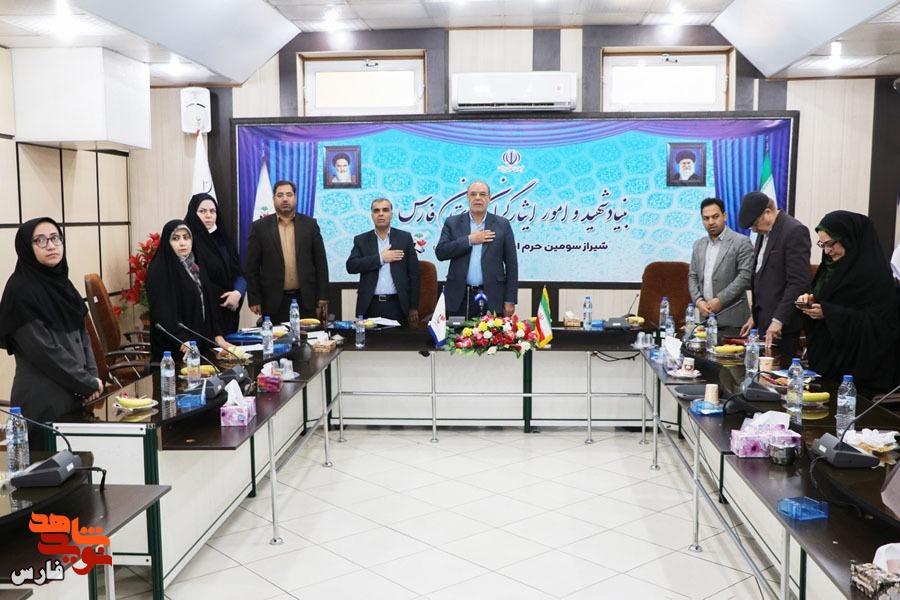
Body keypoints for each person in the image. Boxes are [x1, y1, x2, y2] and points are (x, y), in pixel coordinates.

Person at [0, 218, 104, 449]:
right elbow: (45, 352)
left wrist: (92, 380)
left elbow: (84, 337)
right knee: (47, 467)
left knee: (82, 465)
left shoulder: (63, 285)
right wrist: (87, 383)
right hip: (44, 402)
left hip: (77, 396)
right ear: (26, 247)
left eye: (56, 238)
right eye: (40, 240)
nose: (51, 245)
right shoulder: (19, 291)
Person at [797, 211, 898, 393]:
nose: (827, 251)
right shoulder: (830, 267)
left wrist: (829, 313)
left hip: (856, 370)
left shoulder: (873, 275)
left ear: (849, 238)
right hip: (825, 358)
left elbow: (879, 325)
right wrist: (811, 301)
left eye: (830, 244)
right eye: (822, 245)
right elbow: (829, 299)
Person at [244, 180, 329, 323]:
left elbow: (321, 263)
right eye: (280, 195)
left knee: (307, 337)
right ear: (273, 198)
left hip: (305, 299)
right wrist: (254, 298)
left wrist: (323, 294)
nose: (285, 199)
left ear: (295, 198)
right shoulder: (259, 227)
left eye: (289, 195)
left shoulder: (310, 225)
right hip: (273, 301)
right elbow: (251, 267)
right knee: (276, 337)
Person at [738, 191, 811, 356]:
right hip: (764, 321)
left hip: (783, 326)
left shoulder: (794, 231)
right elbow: (762, 276)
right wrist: (755, 316)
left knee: (779, 369)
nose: (754, 230)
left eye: (755, 224)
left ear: (768, 212)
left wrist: (778, 320)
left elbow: (799, 282)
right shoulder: (764, 232)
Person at [146, 220, 229, 361]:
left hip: (199, 347)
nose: (182, 243)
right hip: (175, 352)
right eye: (175, 238)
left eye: (186, 237)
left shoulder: (195, 267)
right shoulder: (159, 270)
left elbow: (208, 305)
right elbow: (163, 313)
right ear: (167, 242)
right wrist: (183, 340)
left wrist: (218, 336)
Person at [435, 180, 518, 318]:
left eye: (482, 194)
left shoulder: (502, 224)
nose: (478, 198)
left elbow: (512, 265)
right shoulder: (453, 223)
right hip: (460, 296)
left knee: (491, 332)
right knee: (458, 332)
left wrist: (510, 299)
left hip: (492, 296)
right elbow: (441, 252)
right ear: (467, 197)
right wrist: (469, 240)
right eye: (473, 194)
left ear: (489, 198)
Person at [346, 198, 421, 326]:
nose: (381, 214)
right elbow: (351, 266)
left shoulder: (404, 238)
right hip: (370, 305)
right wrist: (380, 258)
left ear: (391, 214)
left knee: (399, 339)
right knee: (370, 339)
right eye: (376, 211)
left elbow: (414, 274)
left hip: (398, 305)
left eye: (385, 210)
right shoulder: (361, 240)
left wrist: (413, 306)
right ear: (372, 215)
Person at [688, 198, 754, 329]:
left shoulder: (741, 242)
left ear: (724, 216)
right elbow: (692, 276)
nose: (711, 222)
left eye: (715, 216)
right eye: (706, 218)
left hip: (734, 319)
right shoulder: (698, 245)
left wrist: (720, 300)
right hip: (705, 318)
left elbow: (745, 277)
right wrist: (698, 301)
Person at [184, 193, 246, 334]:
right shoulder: (187, 243)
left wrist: (238, 293)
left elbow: (239, 272)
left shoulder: (223, 240)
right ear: (193, 213)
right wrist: (222, 297)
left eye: (212, 211)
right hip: (203, 314)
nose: (208, 216)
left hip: (229, 311)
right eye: (202, 211)